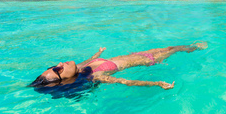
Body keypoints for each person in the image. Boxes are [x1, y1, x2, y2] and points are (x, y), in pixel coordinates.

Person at [28, 42, 208, 90]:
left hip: (135, 55)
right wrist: (157, 83)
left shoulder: (82, 67)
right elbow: (125, 81)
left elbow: (92, 57)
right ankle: (193, 49)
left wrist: (98, 52)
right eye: (57, 69)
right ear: (65, 80)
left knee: (170, 47)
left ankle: (189, 49)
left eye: (54, 65)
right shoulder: (95, 76)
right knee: (172, 49)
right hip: (146, 61)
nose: (59, 64)